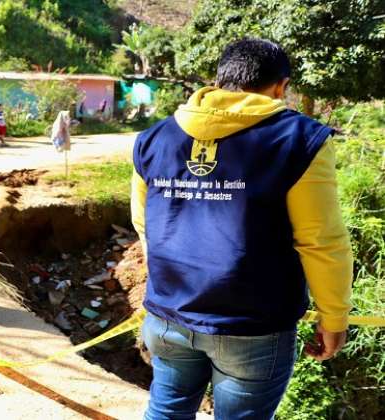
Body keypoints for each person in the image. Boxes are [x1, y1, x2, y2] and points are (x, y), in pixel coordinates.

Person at [130, 38, 353, 419]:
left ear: (219, 80)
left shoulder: (154, 138)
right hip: (252, 327)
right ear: (281, 87)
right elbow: (319, 241)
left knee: (165, 411)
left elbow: (145, 224)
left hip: (168, 315)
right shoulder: (299, 141)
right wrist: (334, 317)